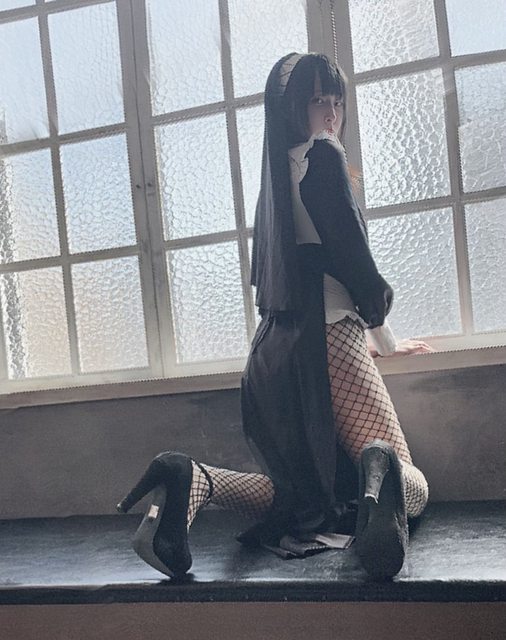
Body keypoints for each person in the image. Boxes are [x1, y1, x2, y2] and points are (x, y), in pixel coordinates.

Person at [117, 52, 431, 581]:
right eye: (317, 101)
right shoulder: (323, 156)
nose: (330, 114)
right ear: (293, 109)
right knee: (409, 479)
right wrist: (385, 338)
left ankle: (191, 479)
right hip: (329, 336)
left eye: (337, 102)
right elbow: (353, 263)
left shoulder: (276, 177)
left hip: (274, 348)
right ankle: (382, 471)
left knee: (302, 496)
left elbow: (300, 270)